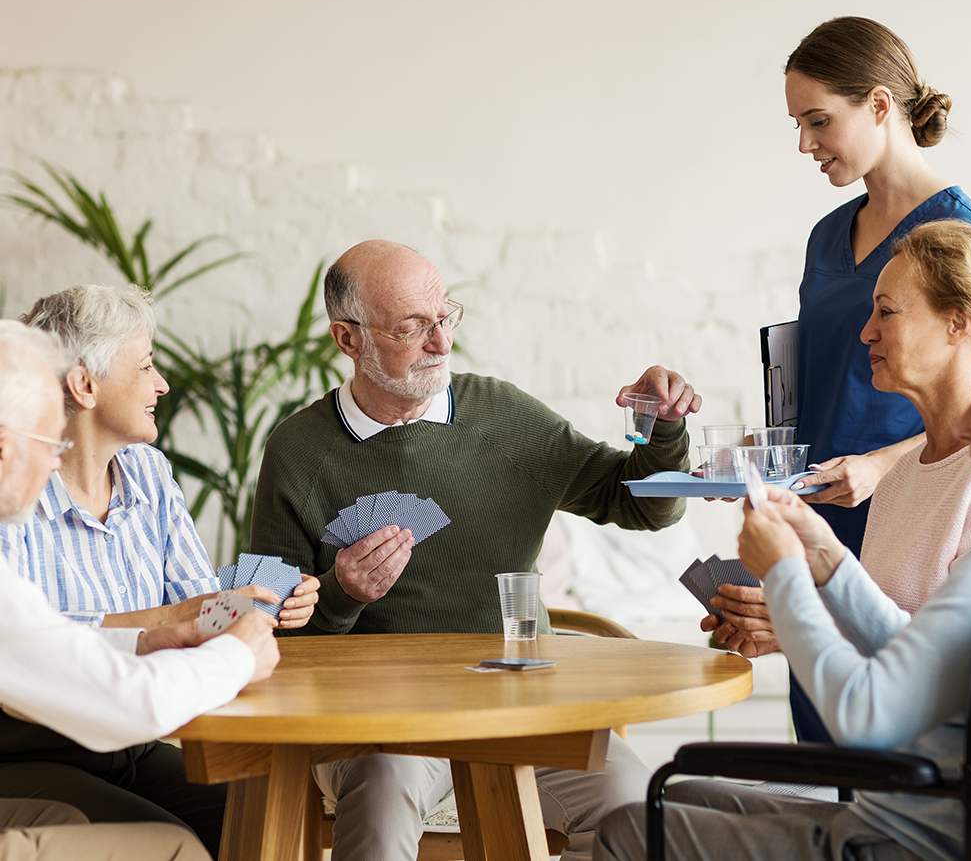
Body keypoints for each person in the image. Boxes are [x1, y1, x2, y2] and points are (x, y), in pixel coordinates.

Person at [249, 239, 701, 861]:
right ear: (348, 340)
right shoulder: (296, 451)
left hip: (521, 703)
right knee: (386, 786)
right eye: (412, 328)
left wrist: (663, 426)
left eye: (444, 317)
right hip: (377, 724)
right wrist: (342, 595)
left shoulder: (502, 416)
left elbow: (644, 507)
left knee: (640, 805)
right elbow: (267, 635)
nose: (440, 342)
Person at [594, 308, 971, 861]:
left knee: (630, 827)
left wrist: (785, 577)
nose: (968, 428)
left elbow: (864, 713)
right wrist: (827, 560)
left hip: (906, 839)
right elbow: (925, 653)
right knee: (685, 795)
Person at [0, 285, 318, 857]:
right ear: (85, 384)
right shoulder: (14, 502)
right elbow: (48, 652)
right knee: (177, 845)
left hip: (135, 739)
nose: (163, 383)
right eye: (146, 365)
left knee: (267, 814)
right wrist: (222, 645)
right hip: (31, 748)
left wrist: (252, 604)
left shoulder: (147, 472)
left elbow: (195, 608)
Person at [781, 16, 971, 741]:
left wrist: (881, 465)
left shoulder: (965, 239)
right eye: (798, 123)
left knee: (895, 742)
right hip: (817, 510)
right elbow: (819, 370)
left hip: (906, 518)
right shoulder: (826, 235)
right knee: (824, 754)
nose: (805, 144)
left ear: (880, 105)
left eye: (820, 121)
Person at [710, 220, 971, 661]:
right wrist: (788, 629)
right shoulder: (899, 476)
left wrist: (801, 614)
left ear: (958, 322)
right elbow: (884, 644)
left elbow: (959, 663)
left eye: (886, 312)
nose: (867, 332)